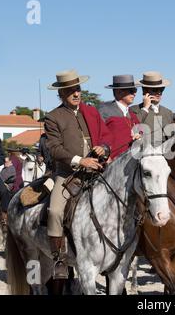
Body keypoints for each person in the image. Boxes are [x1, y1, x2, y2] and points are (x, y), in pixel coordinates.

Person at [44, 69, 112, 279]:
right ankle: (59, 260)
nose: (76, 93)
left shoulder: (91, 111)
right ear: (61, 93)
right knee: (55, 211)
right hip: (68, 175)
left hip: (98, 171)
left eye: (78, 89)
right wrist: (80, 160)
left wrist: (104, 148)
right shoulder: (53, 117)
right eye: (70, 90)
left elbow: (106, 137)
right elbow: (54, 148)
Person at [97, 75, 142, 159]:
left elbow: (141, 132)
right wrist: (105, 157)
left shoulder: (132, 114)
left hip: (131, 163)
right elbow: (96, 135)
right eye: (131, 90)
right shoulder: (104, 110)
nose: (134, 93)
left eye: (135, 90)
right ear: (118, 92)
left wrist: (139, 136)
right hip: (110, 165)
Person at [130, 71, 174, 146]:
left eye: (161, 89)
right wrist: (146, 107)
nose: (159, 93)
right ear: (145, 91)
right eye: (155, 90)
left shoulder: (168, 113)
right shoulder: (134, 110)